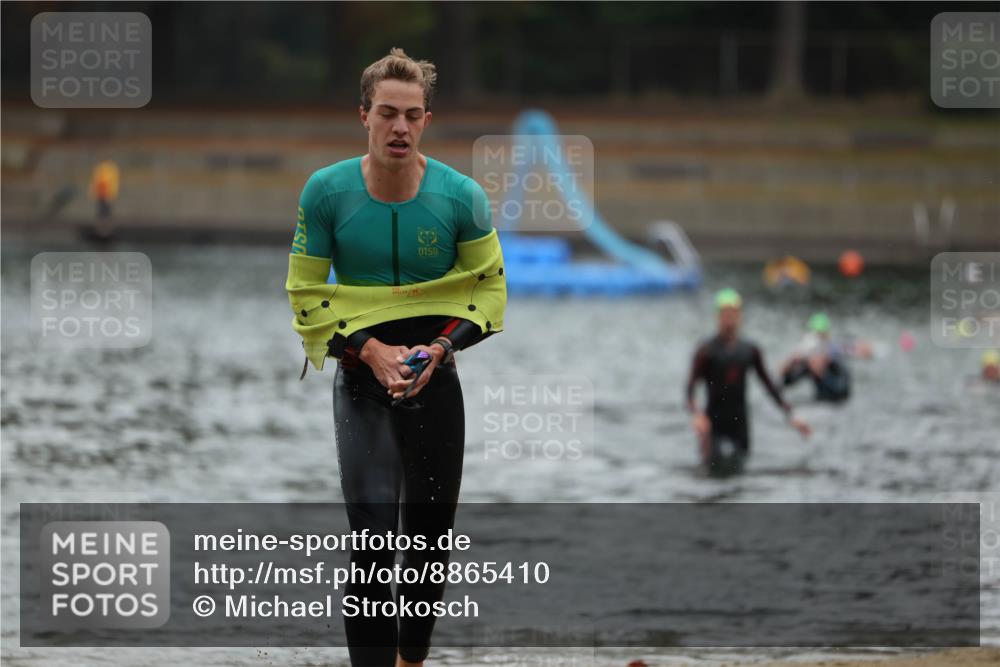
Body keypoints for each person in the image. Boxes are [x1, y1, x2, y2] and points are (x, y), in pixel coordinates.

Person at [285, 48, 506, 667]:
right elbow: (304, 297)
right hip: (361, 383)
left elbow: (491, 291)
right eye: (387, 113)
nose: (400, 127)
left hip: (436, 382)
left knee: (430, 546)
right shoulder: (326, 192)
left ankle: (411, 663)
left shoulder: (461, 197)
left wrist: (439, 348)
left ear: (427, 121)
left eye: (412, 115)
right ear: (365, 116)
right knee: (372, 542)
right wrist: (369, 348)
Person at [685, 289, 810, 476]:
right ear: (717, 317)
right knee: (710, 472)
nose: (729, 319)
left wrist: (790, 415)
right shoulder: (706, 350)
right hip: (713, 423)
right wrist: (697, 415)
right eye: (724, 314)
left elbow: (768, 384)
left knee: (741, 471)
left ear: (739, 316)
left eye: (733, 314)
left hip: (740, 423)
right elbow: (690, 388)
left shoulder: (750, 350)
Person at [779, 312, 852, 403]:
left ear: (827, 334)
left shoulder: (836, 357)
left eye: (820, 336)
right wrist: (790, 364)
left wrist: (822, 373)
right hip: (819, 404)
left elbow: (843, 394)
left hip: (838, 406)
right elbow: (786, 383)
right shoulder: (811, 360)